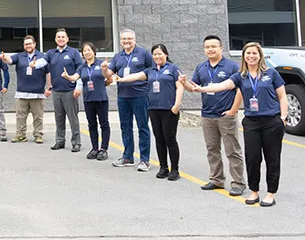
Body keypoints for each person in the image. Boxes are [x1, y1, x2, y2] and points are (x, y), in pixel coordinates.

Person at [187, 42, 288, 207]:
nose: (251, 56)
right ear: (244, 57)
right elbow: (222, 86)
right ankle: (254, 191)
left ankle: (271, 193)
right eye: (248, 53)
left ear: (260, 56)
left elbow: (282, 96)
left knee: (272, 158)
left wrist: (283, 117)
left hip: (271, 121)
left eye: (254, 53)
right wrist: (201, 89)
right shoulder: (240, 76)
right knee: (252, 158)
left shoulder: (271, 73)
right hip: (251, 122)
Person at [189, 35, 245, 196]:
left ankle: (238, 183)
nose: (210, 49)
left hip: (225, 115)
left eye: (213, 46)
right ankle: (217, 179)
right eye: (207, 47)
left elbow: (240, 90)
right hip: (207, 115)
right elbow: (194, 87)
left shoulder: (232, 66)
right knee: (212, 149)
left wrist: (233, 111)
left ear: (221, 48)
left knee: (232, 151)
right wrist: (183, 82)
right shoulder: (201, 67)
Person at [117, 44, 184, 180]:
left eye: (160, 54)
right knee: (159, 139)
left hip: (169, 109)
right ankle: (163, 167)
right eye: (155, 54)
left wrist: (176, 105)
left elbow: (180, 86)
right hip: (153, 109)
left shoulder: (173, 68)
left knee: (170, 139)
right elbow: (136, 76)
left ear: (166, 54)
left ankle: (175, 169)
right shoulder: (150, 70)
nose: (157, 56)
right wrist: (121, 79)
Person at [101, 29, 153, 171]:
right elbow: (109, 74)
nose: (126, 41)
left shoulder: (143, 53)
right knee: (125, 127)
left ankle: (145, 160)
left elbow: (152, 69)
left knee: (142, 127)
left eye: (129, 39)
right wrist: (104, 69)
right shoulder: (118, 56)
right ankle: (128, 157)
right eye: (124, 39)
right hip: (123, 97)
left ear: (134, 40)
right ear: (121, 41)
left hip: (140, 95)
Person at [3, 35, 48, 144]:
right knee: (20, 117)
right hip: (21, 93)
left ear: (34, 44)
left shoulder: (42, 57)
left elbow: (48, 72)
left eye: (30, 43)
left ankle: (38, 135)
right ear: (24, 46)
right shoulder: (19, 56)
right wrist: (5, 58)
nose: (28, 46)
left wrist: (48, 87)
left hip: (37, 93)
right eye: (26, 44)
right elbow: (10, 60)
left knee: (38, 117)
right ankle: (20, 135)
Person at [45, 29, 84, 152]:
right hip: (56, 91)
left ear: (67, 39)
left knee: (73, 118)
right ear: (55, 39)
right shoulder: (51, 53)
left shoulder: (73, 53)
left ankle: (76, 143)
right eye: (58, 37)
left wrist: (78, 86)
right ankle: (60, 141)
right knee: (59, 118)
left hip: (70, 91)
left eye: (63, 37)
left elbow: (80, 69)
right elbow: (43, 63)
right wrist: (34, 64)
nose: (60, 39)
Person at [79, 41, 110, 161]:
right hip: (88, 99)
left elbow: (109, 78)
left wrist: (101, 86)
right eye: (84, 51)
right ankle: (95, 148)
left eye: (89, 50)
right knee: (92, 125)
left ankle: (104, 149)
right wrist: (67, 77)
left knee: (104, 124)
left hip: (101, 99)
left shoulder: (101, 64)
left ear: (94, 51)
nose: (87, 52)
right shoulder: (82, 67)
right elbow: (75, 77)